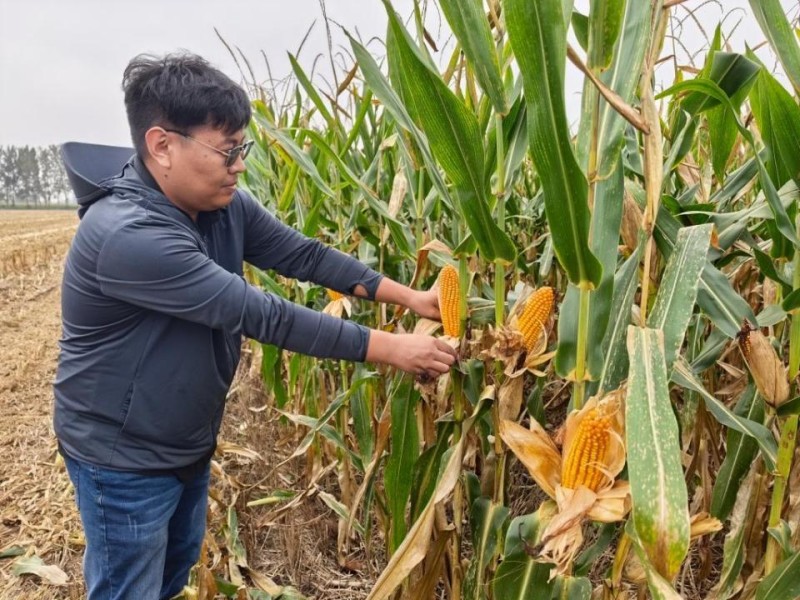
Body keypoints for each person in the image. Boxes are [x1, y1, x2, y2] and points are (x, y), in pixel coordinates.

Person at [54, 52, 457, 600]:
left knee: (169, 580)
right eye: (228, 150)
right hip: (121, 458)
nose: (239, 164)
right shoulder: (129, 236)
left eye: (242, 148)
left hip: (184, 442)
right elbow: (261, 314)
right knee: (129, 591)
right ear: (162, 145)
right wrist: (395, 349)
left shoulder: (222, 207)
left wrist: (414, 298)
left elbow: (306, 257)